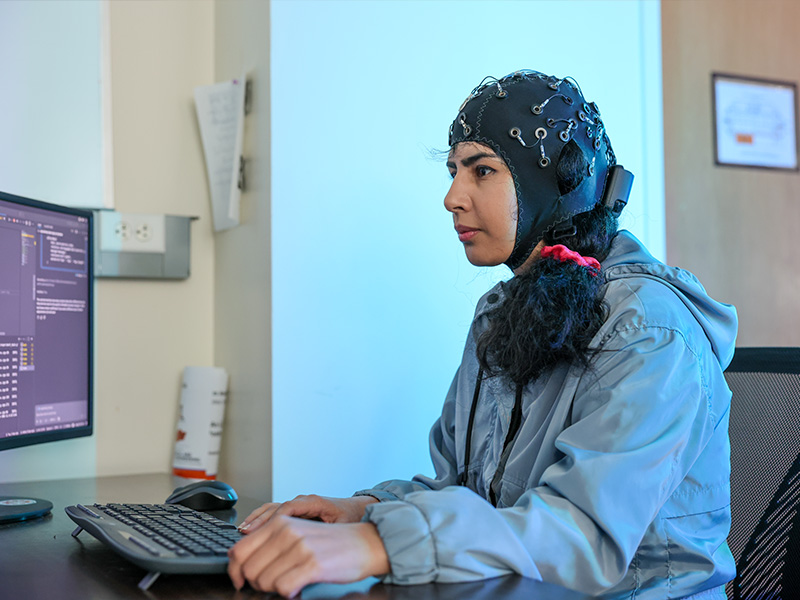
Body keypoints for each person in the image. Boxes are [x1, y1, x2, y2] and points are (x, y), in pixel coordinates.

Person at [227, 70, 738, 599]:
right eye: (453, 171)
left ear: (559, 181)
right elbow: (463, 489)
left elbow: (586, 533)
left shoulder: (651, 331)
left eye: (482, 171)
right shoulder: (500, 313)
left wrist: (380, 545)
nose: (452, 196)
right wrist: (365, 510)